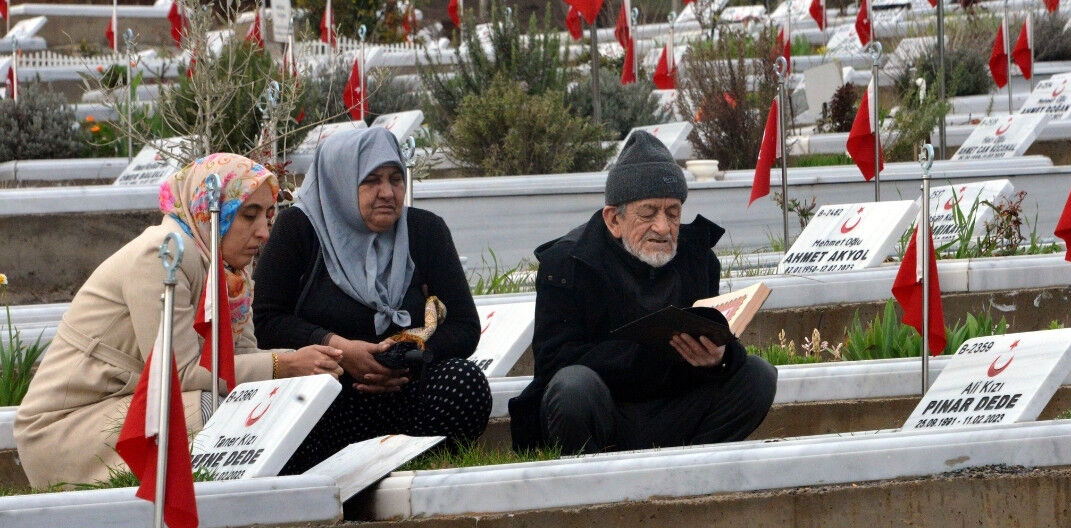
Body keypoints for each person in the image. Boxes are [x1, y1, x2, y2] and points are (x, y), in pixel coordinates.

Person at [15, 154, 341, 490]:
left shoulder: (231, 273)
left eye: (269, 217)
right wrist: (284, 364)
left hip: (128, 407)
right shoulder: (163, 254)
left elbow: (245, 357)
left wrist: (306, 367)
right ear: (210, 210)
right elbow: (180, 372)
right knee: (215, 408)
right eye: (249, 215)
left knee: (275, 400)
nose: (264, 233)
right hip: (66, 429)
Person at [509, 132, 777, 453]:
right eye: (648, 213)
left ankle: (690, 467)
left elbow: (711, 334)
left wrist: (719, 358)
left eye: (673, 213)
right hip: (604, 409)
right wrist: (645, 352)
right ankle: (596, 480)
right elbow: (554, 365)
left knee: (758, 376)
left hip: (674, 408)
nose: (663, 228)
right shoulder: (568, 263)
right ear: (614, 220)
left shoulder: (698, 258)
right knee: (573, 388)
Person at [253, 127, 491, 473]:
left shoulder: (424, 231)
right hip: (330, 397)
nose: (388, 193)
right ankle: (328, 475)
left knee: (465, 383)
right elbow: (268, 321)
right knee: (297, 408)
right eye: (371, 180)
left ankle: (415, 466)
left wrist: (410, 357)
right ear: (340, 180)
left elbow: (464, 326)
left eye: (396, 179)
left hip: (404, 392)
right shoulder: (300, 229)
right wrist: (339, 350)